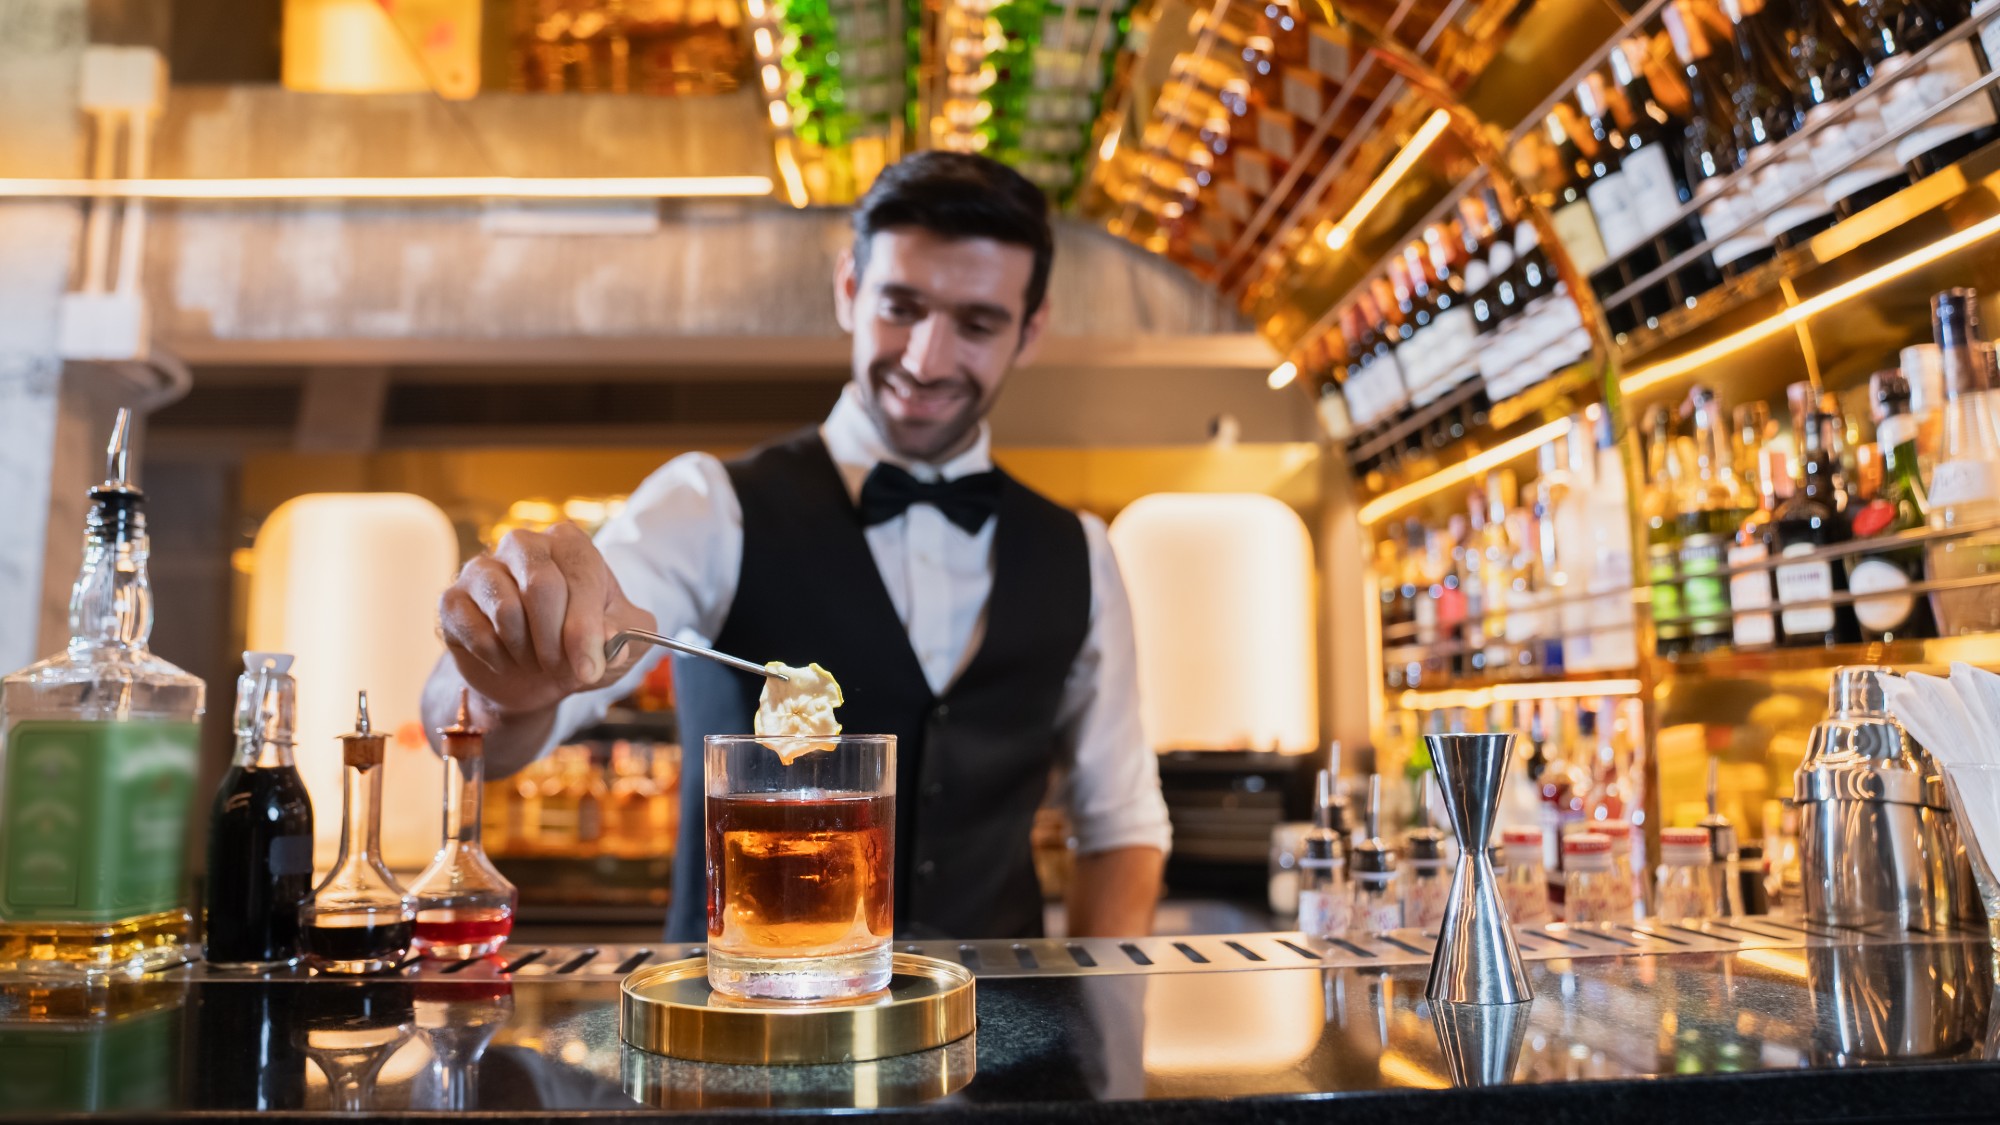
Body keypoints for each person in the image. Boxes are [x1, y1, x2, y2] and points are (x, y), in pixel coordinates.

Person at [422, 151, 1170, 941]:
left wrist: (1096, 1037)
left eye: (977, 324)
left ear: (1031, 328)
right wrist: (514, 672)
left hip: (999, 1045)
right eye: (901, 307)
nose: (926, 359)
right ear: (850, 288)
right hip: (747, 1038)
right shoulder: (711, 505)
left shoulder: (1079, 550)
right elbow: (477, 726)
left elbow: (1121, 823)